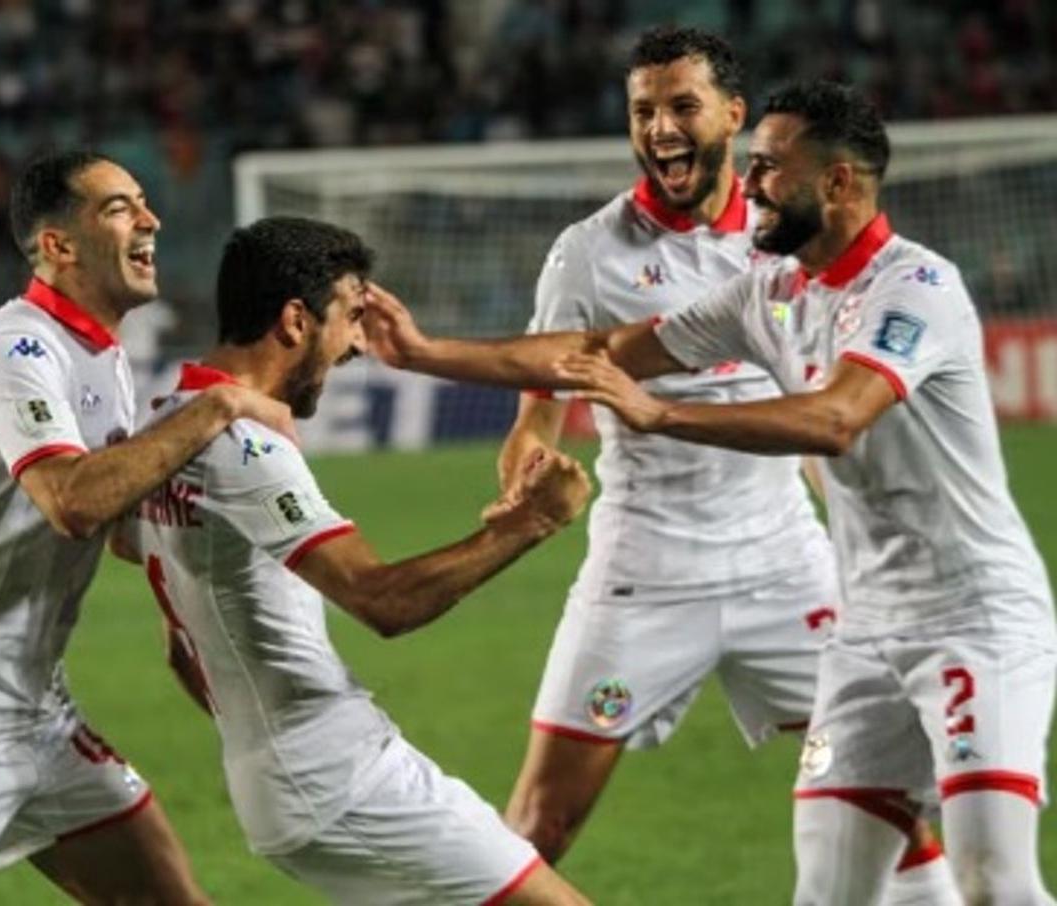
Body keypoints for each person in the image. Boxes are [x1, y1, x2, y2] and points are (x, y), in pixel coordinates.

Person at [362, 81, 1056, 905]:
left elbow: (835, 419)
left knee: (993, 881)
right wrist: (425, 352)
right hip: (864, 637)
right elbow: (595, 351)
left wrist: (661, 414)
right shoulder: (772, 292)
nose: (749, 184)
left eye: (769, 167)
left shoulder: (915, 289)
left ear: (837, 182)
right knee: (829, 888)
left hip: (972, 620)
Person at [500, 26, 951, 903]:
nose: (660, 127)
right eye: (643, 111)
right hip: (644, 574)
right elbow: (538, 408)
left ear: (734, 116)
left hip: (786, 567)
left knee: (888, 797)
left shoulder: (792, 237)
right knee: (539, 825)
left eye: (682, 106)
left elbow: (817, 403)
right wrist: (529, 459)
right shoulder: (587, 253)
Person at [0, 149, 293, 905]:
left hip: (37, 712)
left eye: (144, 201)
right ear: (58, 245)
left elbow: (116, 525)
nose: (151, 220)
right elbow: (71, 500)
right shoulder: (13, 347)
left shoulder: (102, 355)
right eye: (119, 207)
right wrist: (218, 406)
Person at [117, 216, 593, 905]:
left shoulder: (165, 424)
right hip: (340, 778)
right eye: (348, 319)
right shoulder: (244, 446)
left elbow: (179, 647)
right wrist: (534, 521)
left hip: (284, 778)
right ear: (295, 320)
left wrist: (261, 739)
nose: (357, 346)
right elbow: (382, 600)